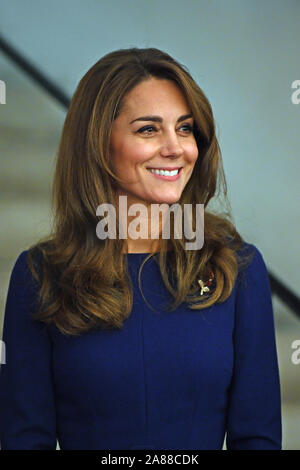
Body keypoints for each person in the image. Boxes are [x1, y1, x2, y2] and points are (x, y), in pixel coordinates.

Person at [0, 47, 281, 450]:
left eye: (185, 129)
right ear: (98, 143)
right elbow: (25, 439)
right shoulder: (41, 274)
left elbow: (257, 439)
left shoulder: (236, 268)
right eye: (148, 129)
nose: (175, 148)